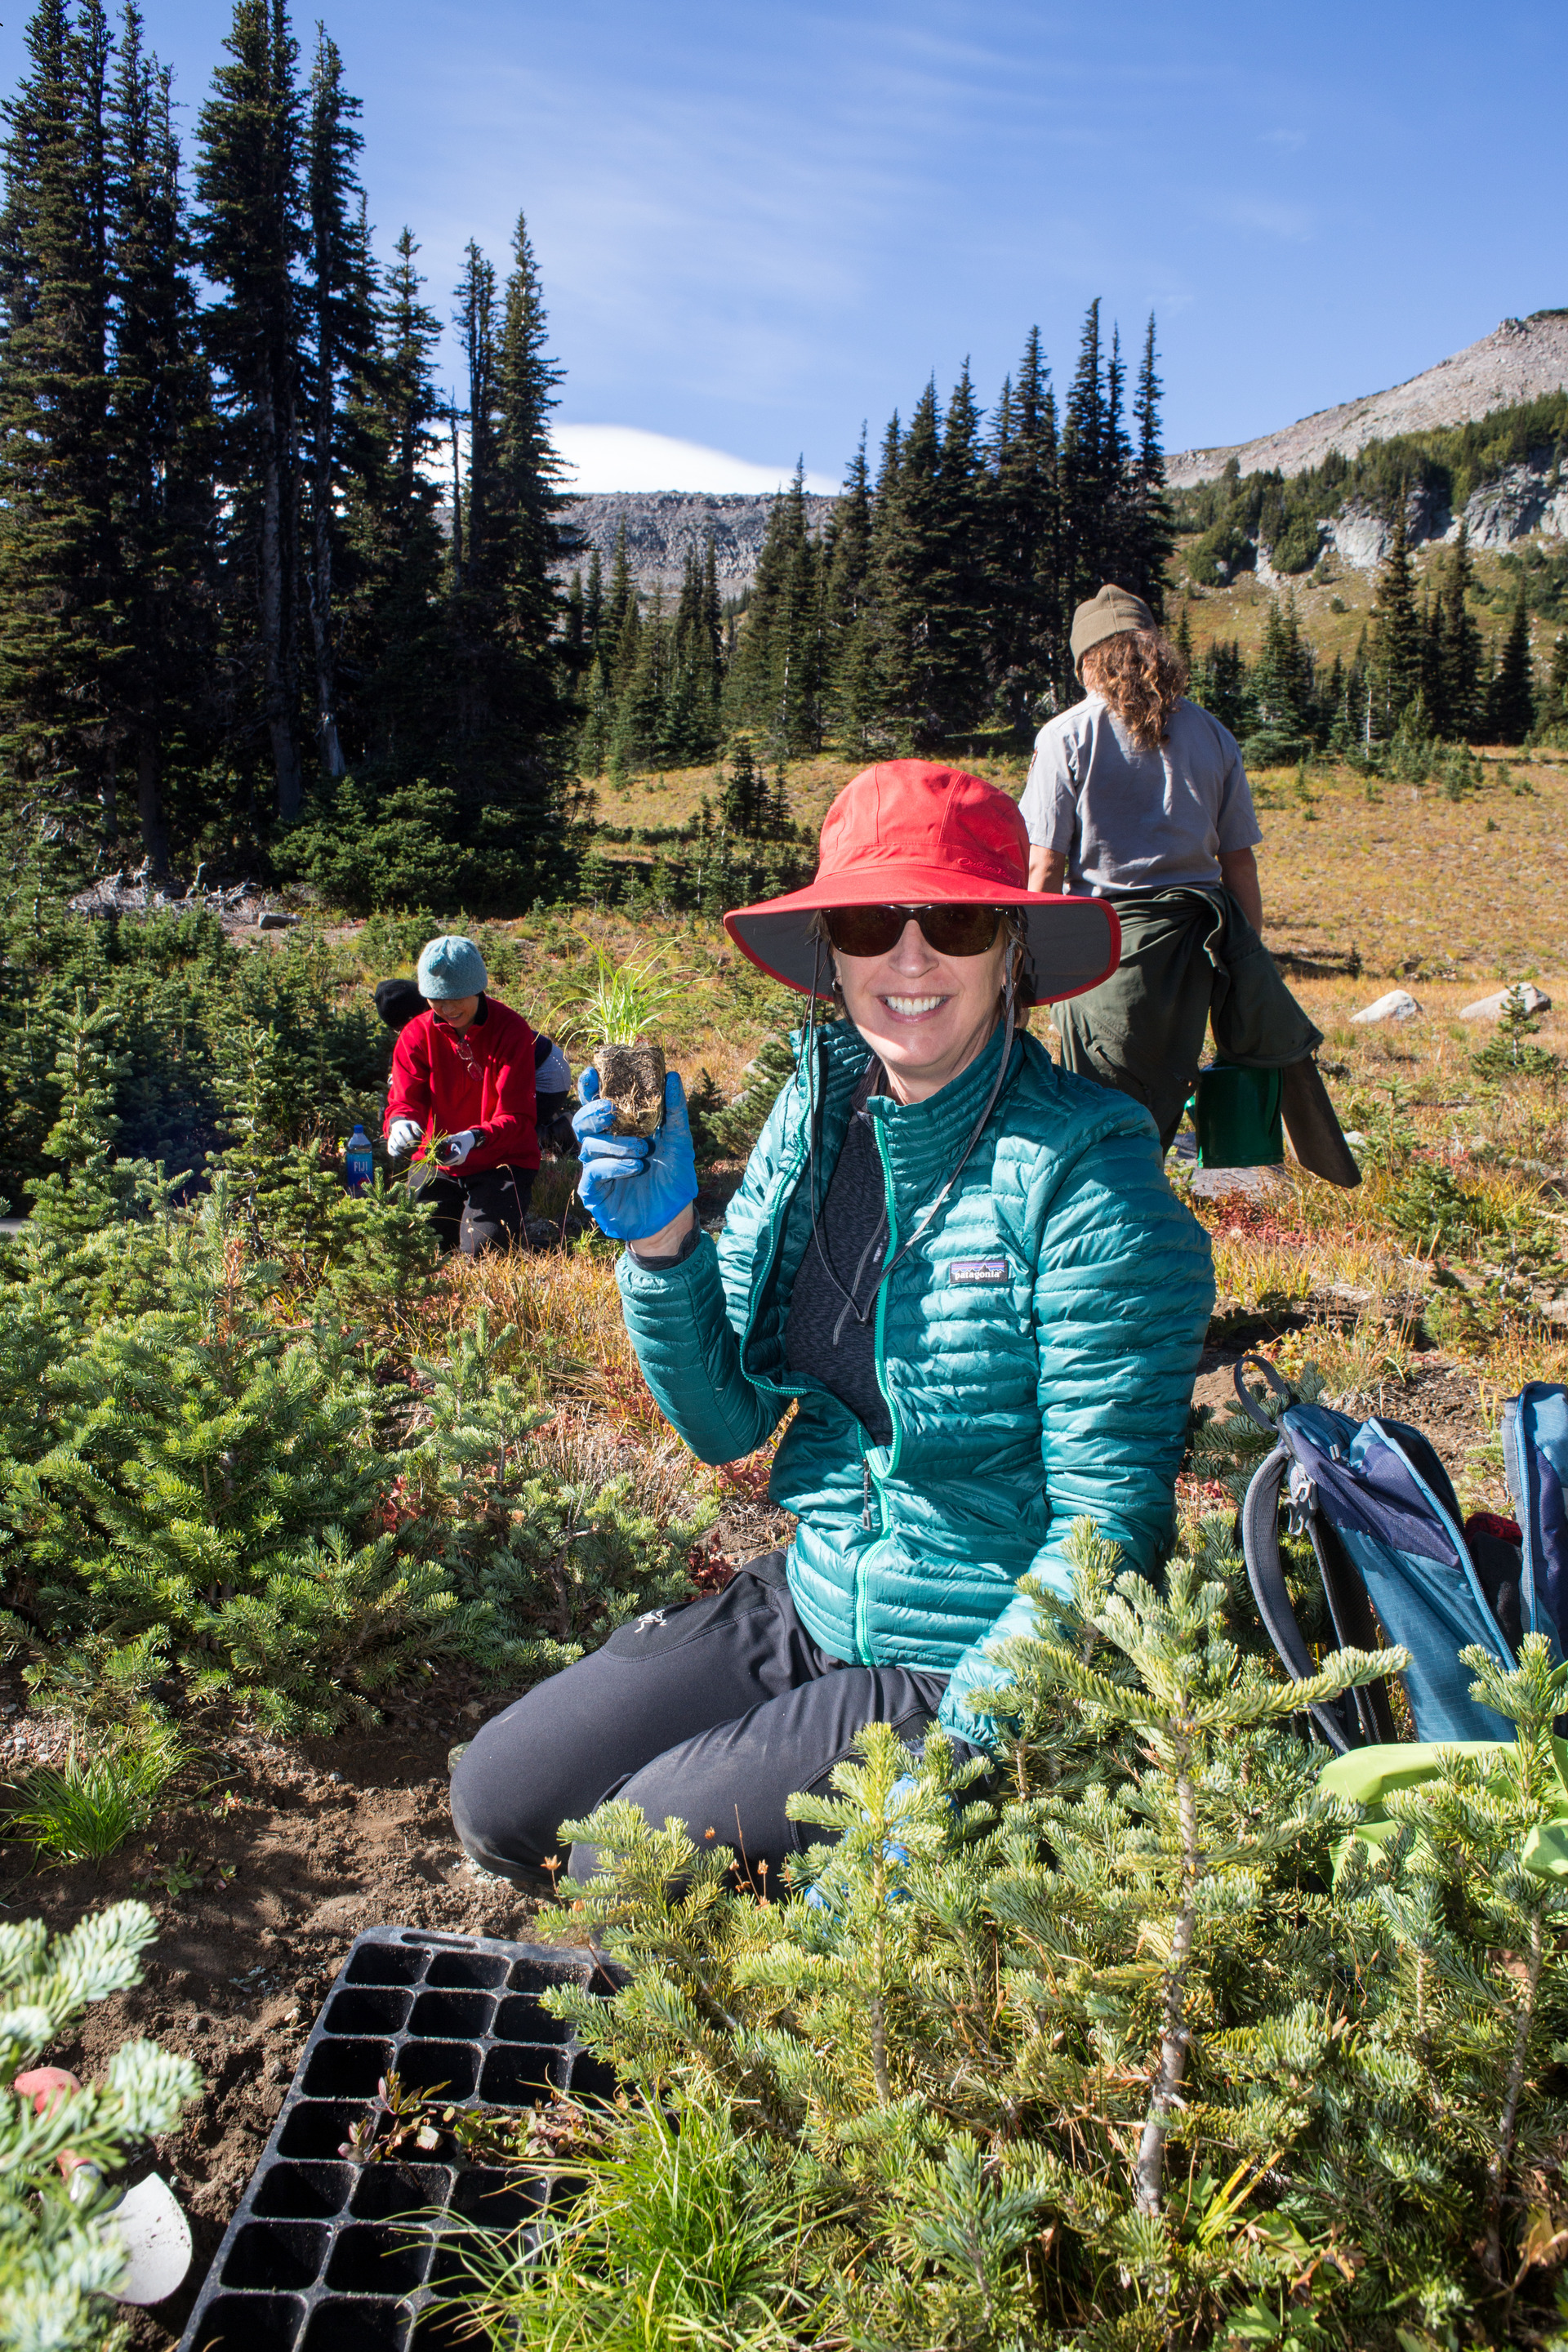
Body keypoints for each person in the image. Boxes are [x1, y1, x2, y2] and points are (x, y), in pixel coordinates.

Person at [450, 761, 1215, 1894]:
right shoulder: (822, 1111)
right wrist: (662, 1252)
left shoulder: (1087, 1177)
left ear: (1012, 949)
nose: (909, 958)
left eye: (952, 919)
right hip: (812, 1594)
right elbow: (724, 1423)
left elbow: (1109, 1524)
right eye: (869, 920)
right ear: (835, 955)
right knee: (499, 1800)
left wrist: (969, 1741)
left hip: (961, 1649)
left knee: (625, 1865)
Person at [1021, 584, 1355, 1179]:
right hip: (1202, 942)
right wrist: (1245, 952)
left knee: (1102, 1104)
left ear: (1088, 660)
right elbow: (1240, 864)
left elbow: (1045, 866)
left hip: (1108, 946)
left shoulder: (1067, 735)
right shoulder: (1213, 734)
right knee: (1169, 1084)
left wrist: (1026, 971)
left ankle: (1118, 1233)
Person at [383, 933, 541, 1255]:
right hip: (436, 1161)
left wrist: (475, 1138)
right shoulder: (416, 1034)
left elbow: (518, 1118)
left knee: (483, 1250)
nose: (448, 1008)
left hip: (501, 1160)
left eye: (458, 997)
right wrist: (400, 1123)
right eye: (436, 998)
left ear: (479, 988)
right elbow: (404, 1100)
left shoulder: (510, 1030)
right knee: (420, 1246)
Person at [375, 976, 577, 1155]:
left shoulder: (453, 1017)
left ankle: (557, 1134)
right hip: (544, 1065)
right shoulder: (444, 1014)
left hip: (546, 1072)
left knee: (504, 1135)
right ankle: (550, 1120)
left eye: (399, 1028)